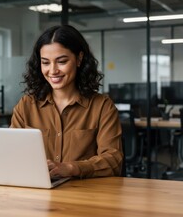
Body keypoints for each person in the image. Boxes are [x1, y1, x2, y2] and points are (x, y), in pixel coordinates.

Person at [10, 25, 123, 179]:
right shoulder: (26, 106)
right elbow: (11, 154)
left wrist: (71, 168)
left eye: (61, 61)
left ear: (79, 59)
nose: (53, 70)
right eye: (45, 62)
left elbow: (113, 160)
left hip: (85, 195)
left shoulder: (102, 106)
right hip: (37, 194)